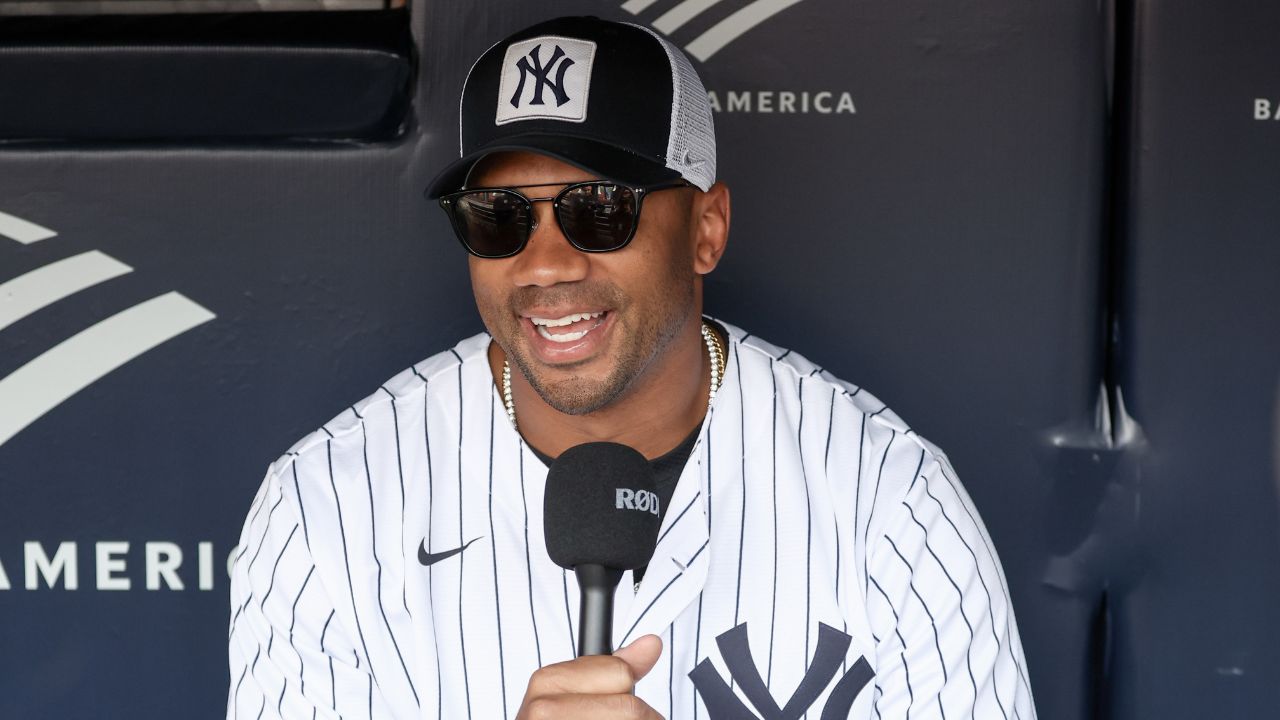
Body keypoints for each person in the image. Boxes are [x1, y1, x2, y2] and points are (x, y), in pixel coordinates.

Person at [227, 15, 1036, 720]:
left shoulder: (889, 502)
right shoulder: (328, 506)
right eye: (499, 218)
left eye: (600, 210)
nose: (544, 266)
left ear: (706, 229)